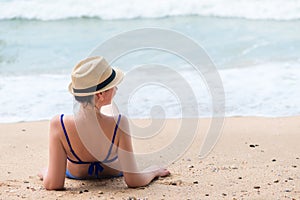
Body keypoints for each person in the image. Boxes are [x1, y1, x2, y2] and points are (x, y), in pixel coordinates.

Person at [39, 56, 170, 190]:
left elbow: (53, 184)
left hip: (76, 173)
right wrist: (154, 171)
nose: (116, 89)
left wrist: (46, 172)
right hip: (112, 172)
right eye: (113, 86)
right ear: (101, 94)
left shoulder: (59, 124)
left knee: (57, 164)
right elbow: (134, 180)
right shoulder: (119, 123)